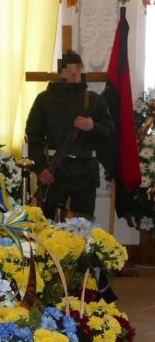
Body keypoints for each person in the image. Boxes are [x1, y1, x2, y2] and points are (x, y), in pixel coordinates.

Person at [26, 50, 114, 221]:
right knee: (49, 224)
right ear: (61, 72)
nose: (74, 73)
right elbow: (32, 137)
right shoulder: (44, 100)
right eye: (68, 68)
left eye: (78, 68)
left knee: (83, 225)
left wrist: (92, 127)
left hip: (86, 173)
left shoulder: (94, 100)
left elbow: (109, 134)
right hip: (54, 172)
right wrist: (40, 168)